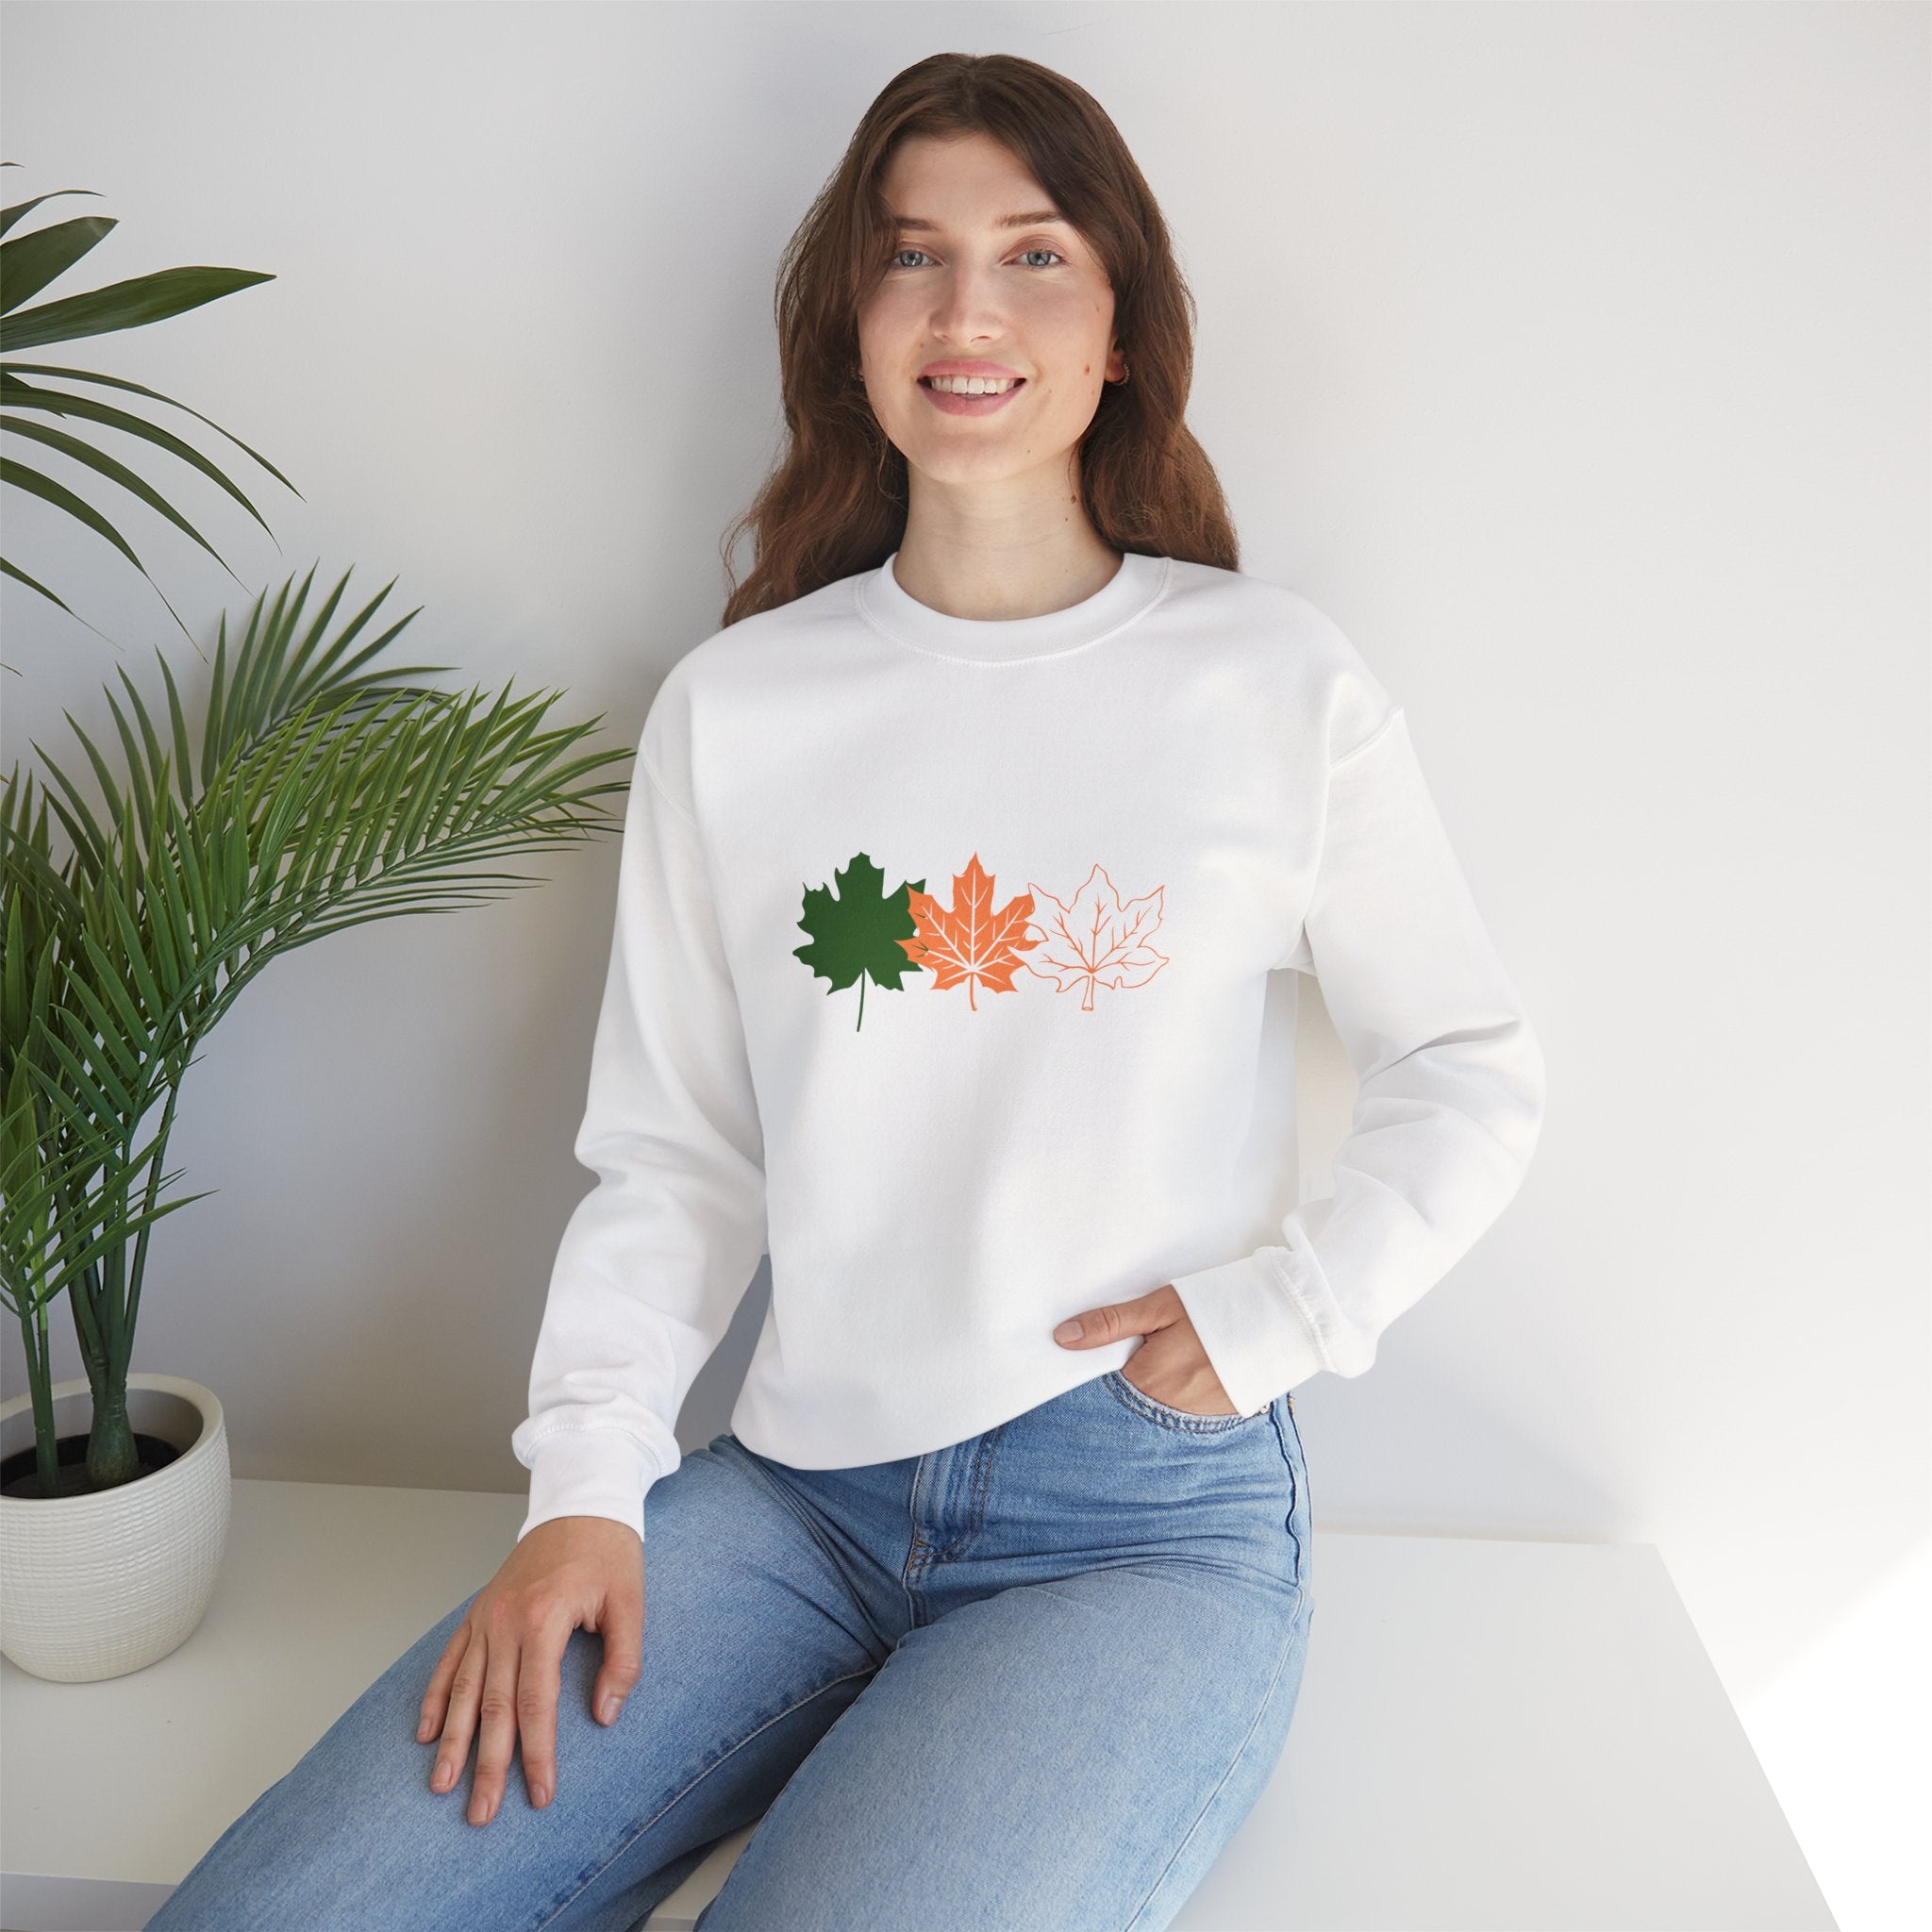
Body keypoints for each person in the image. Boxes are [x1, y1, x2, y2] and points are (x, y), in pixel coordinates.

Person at [147, 50, 1545, 1932]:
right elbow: (677, 1157)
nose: (968, 311)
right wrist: (585, 1486)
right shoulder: (744, 707)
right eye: (912, 258)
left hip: (1135, 1527)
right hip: (793, 1496)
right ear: (853, 324)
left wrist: (1289, 1305)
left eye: (1033, 256)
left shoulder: (1270, 684)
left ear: (1119, 325)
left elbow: (1467, 1063)